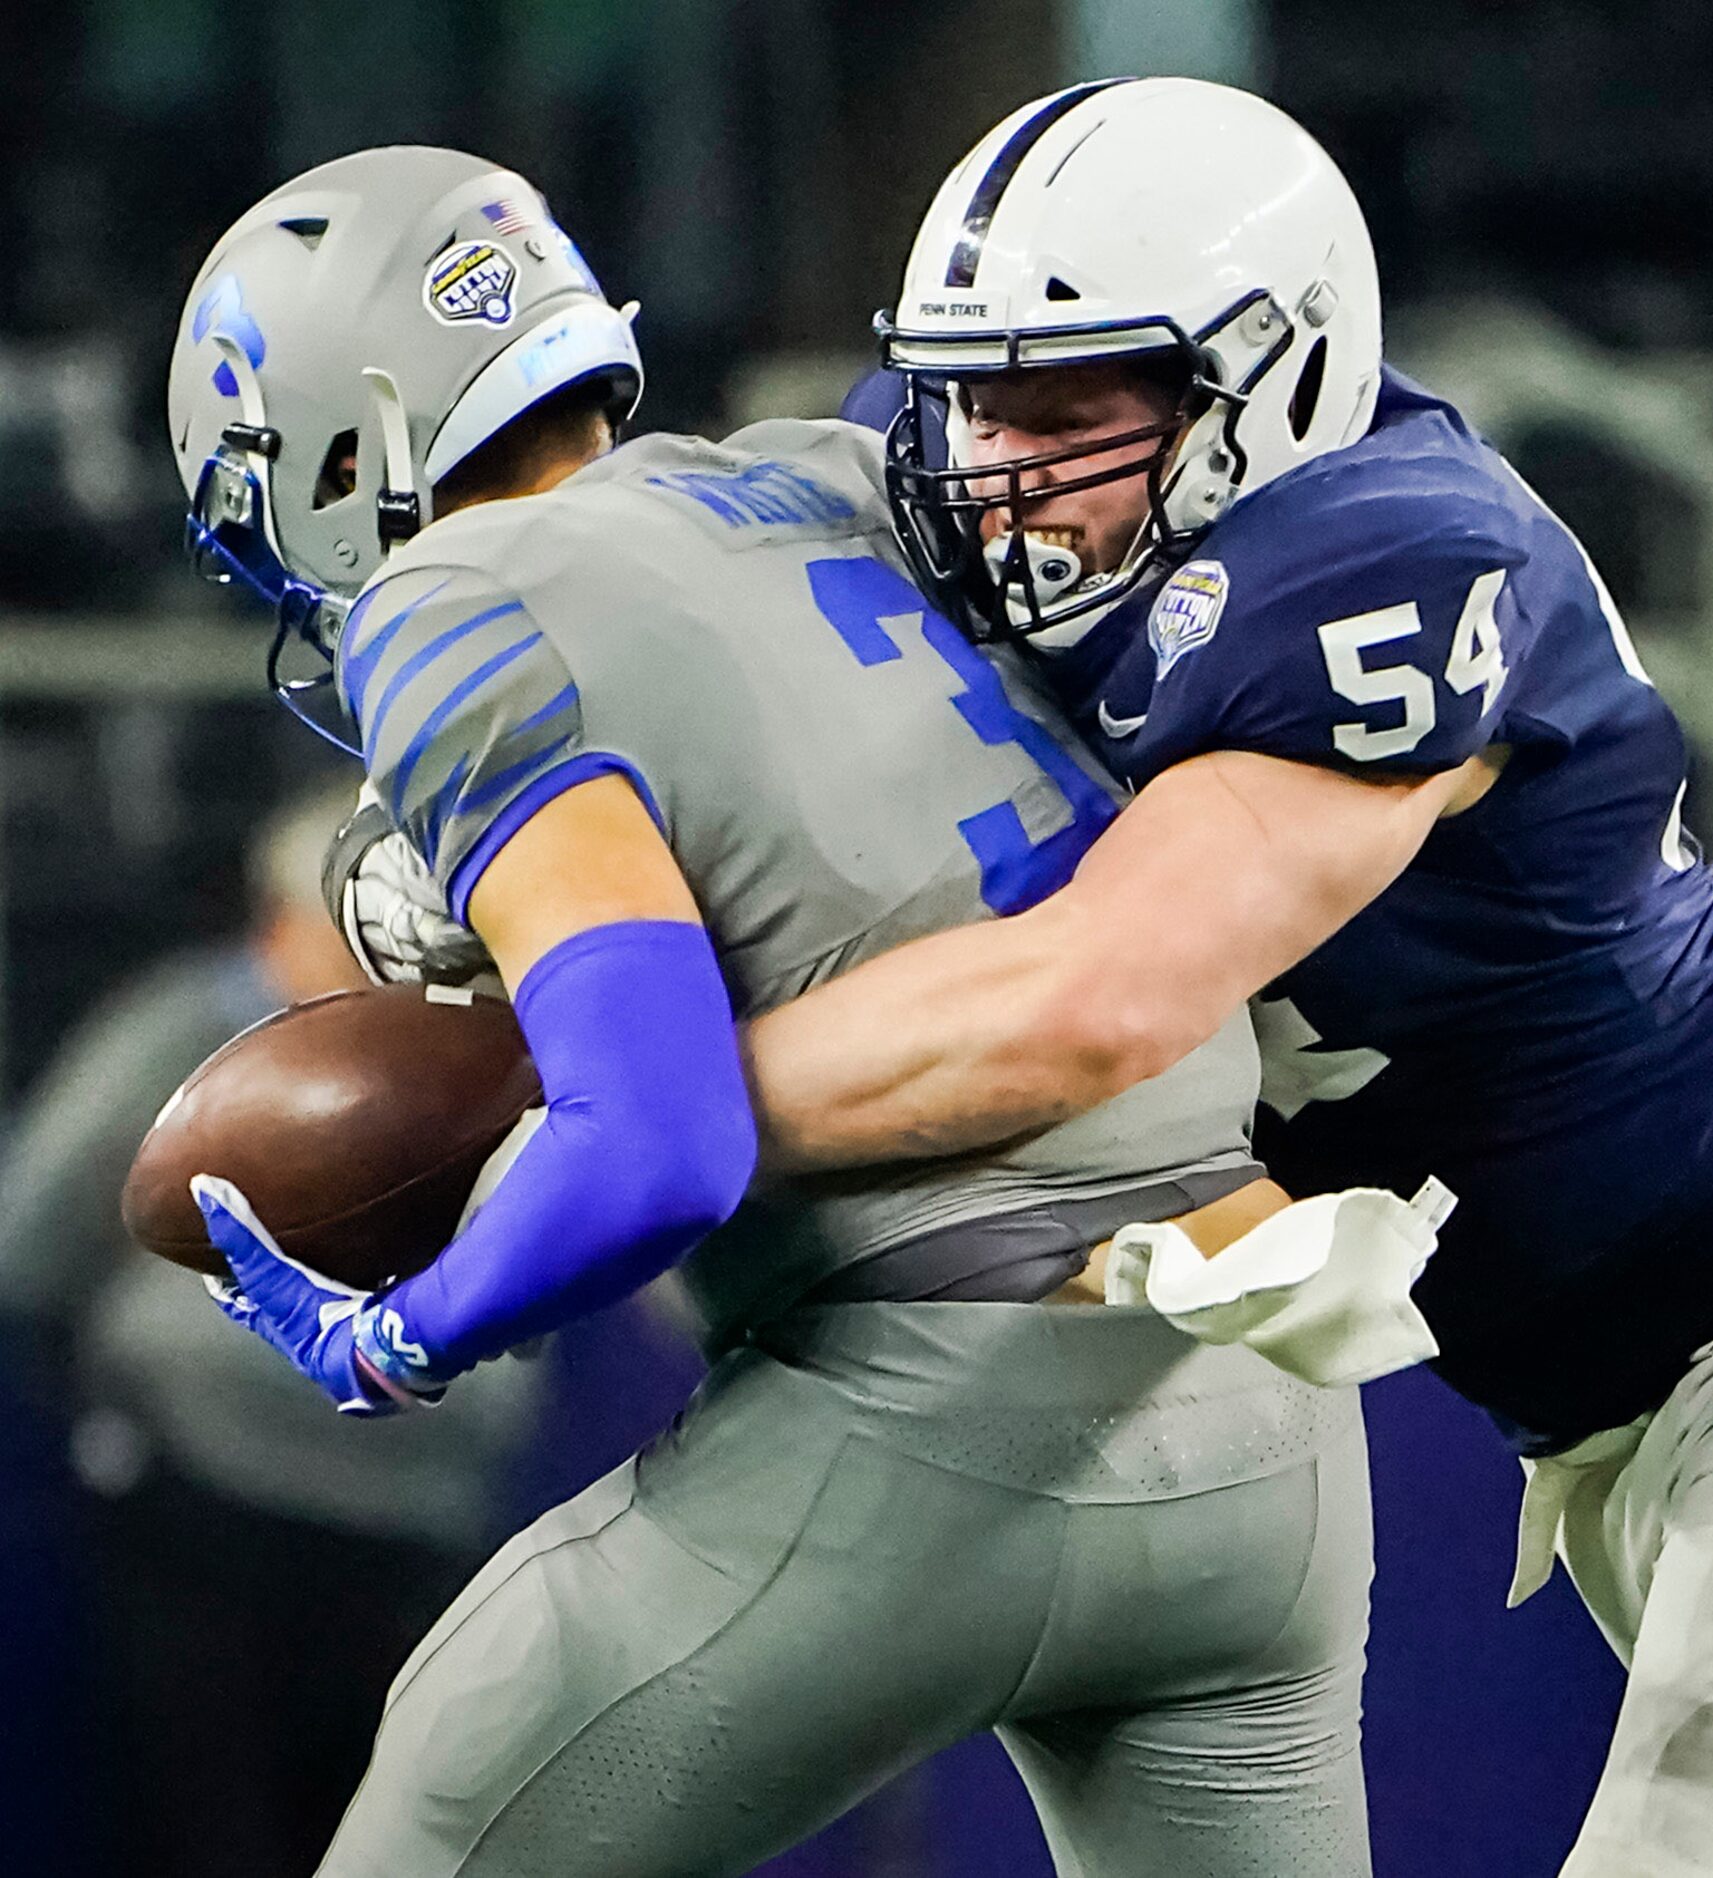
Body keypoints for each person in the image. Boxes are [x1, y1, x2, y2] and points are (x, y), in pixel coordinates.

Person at [166, 146, 1448, 1877]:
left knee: (449, 1798)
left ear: (339, 447)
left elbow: (658, 1144)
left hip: (938, 1399)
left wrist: (402, 1336)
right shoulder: (846, 468)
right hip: (1262, 1413)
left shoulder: (447, 602)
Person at [717, 79, 1713, 1878]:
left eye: (1062, 405)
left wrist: (636, 1104)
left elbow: (1089, 1002)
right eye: (965, 396)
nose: (990, 460)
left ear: (1268, 385)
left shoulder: (1381, 562)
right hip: (1617, 1405)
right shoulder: (1023, 502)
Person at [0, 784, 546, 1878]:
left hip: (422, 1515)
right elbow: (37, 1238)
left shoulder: (466, 1056)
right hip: (212, 1511)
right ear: (291, 919)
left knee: (393, 1826)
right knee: (212, 1821)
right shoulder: (182, 1031)